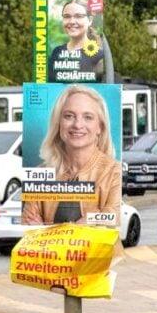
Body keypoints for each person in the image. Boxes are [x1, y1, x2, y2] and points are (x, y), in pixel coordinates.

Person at [22, 85, 121, 225]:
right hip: (49, 248)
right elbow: (28, 223)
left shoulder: (114, 171)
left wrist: (46, 231)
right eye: (69, 116)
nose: (77, 124)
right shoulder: (41, 174)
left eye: (88, 117)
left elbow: (114, 216)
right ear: (58, 124)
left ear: (100, 127)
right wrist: (85, 224)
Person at [47, 0, 103, 82]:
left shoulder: (99, 55)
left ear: (90, 20)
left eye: (78, 16)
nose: (72, 21)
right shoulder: (57, 52)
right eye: (67, 16)